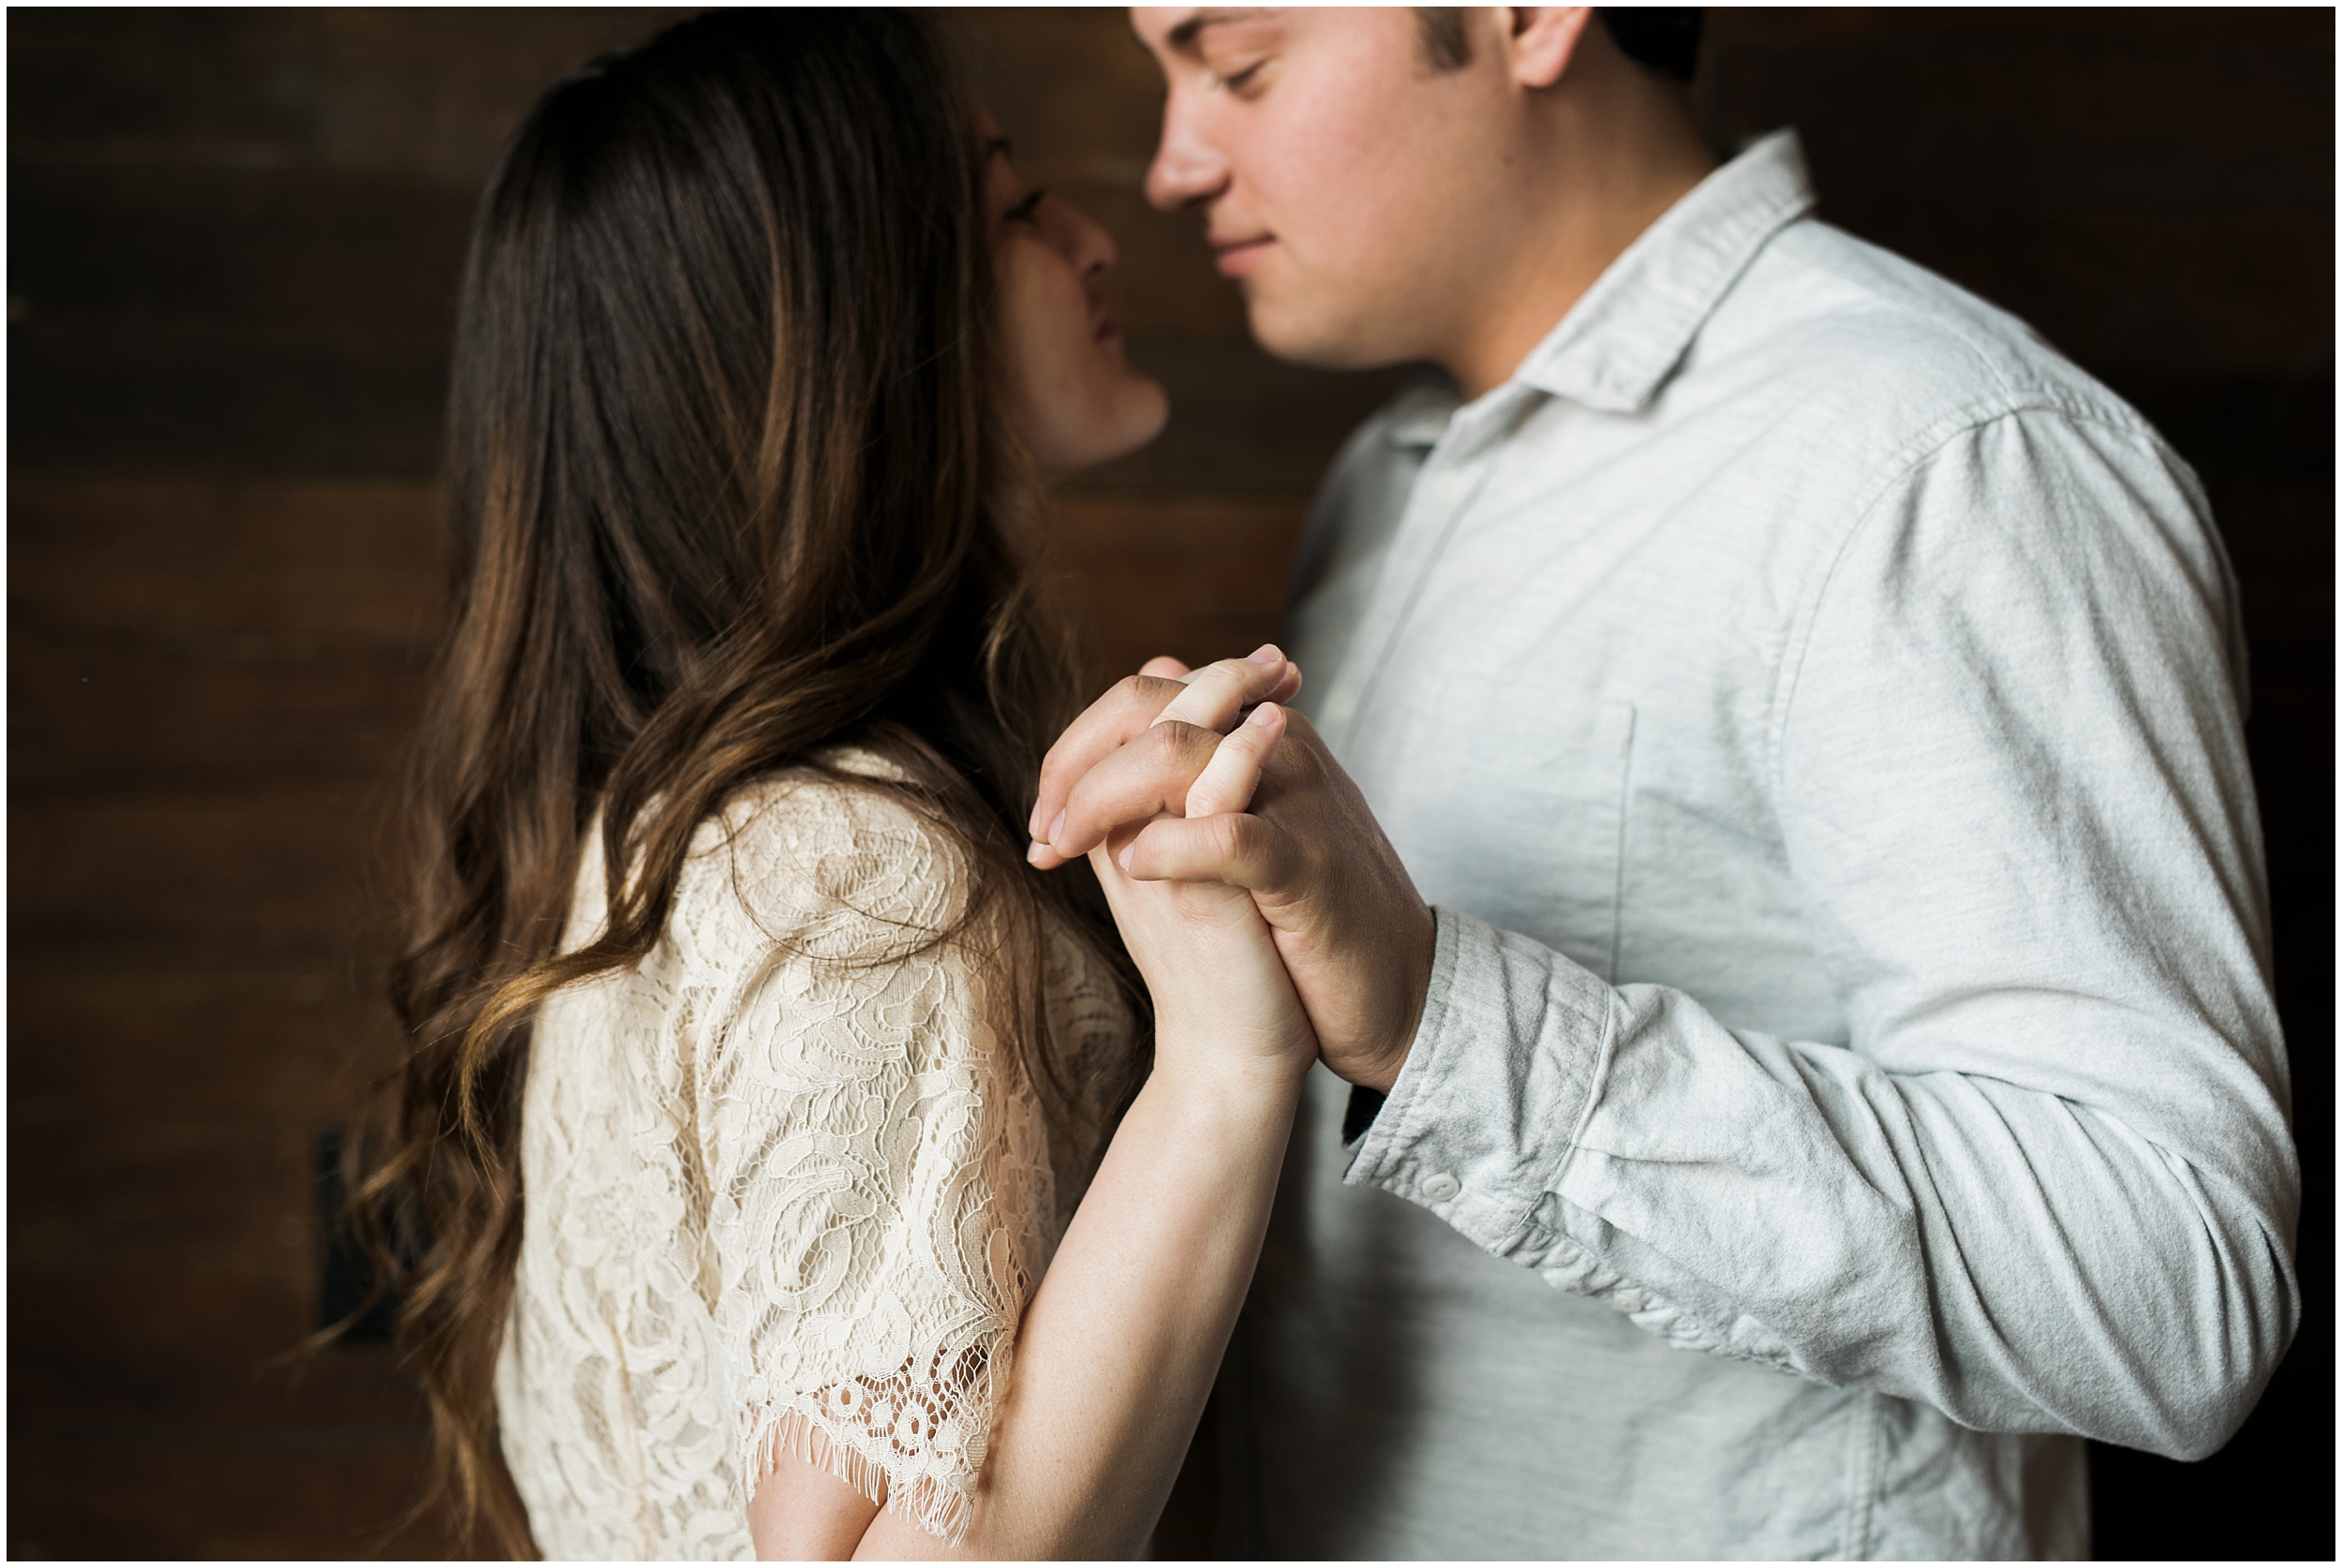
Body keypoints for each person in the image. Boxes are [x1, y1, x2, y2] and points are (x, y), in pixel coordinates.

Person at [1029, 7, 2301, 1558]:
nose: (1172, 163)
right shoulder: (1389, 478)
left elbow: (2176, 1283)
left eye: (1238, 65)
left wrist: (1443, 1011)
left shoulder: (1936, 455)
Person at [345, 11, 1319, 1559]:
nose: (1089, 233)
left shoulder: (660, 834)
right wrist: (1223, 1065)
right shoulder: (854, 871)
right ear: (865, 330)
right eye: (1014, 205)